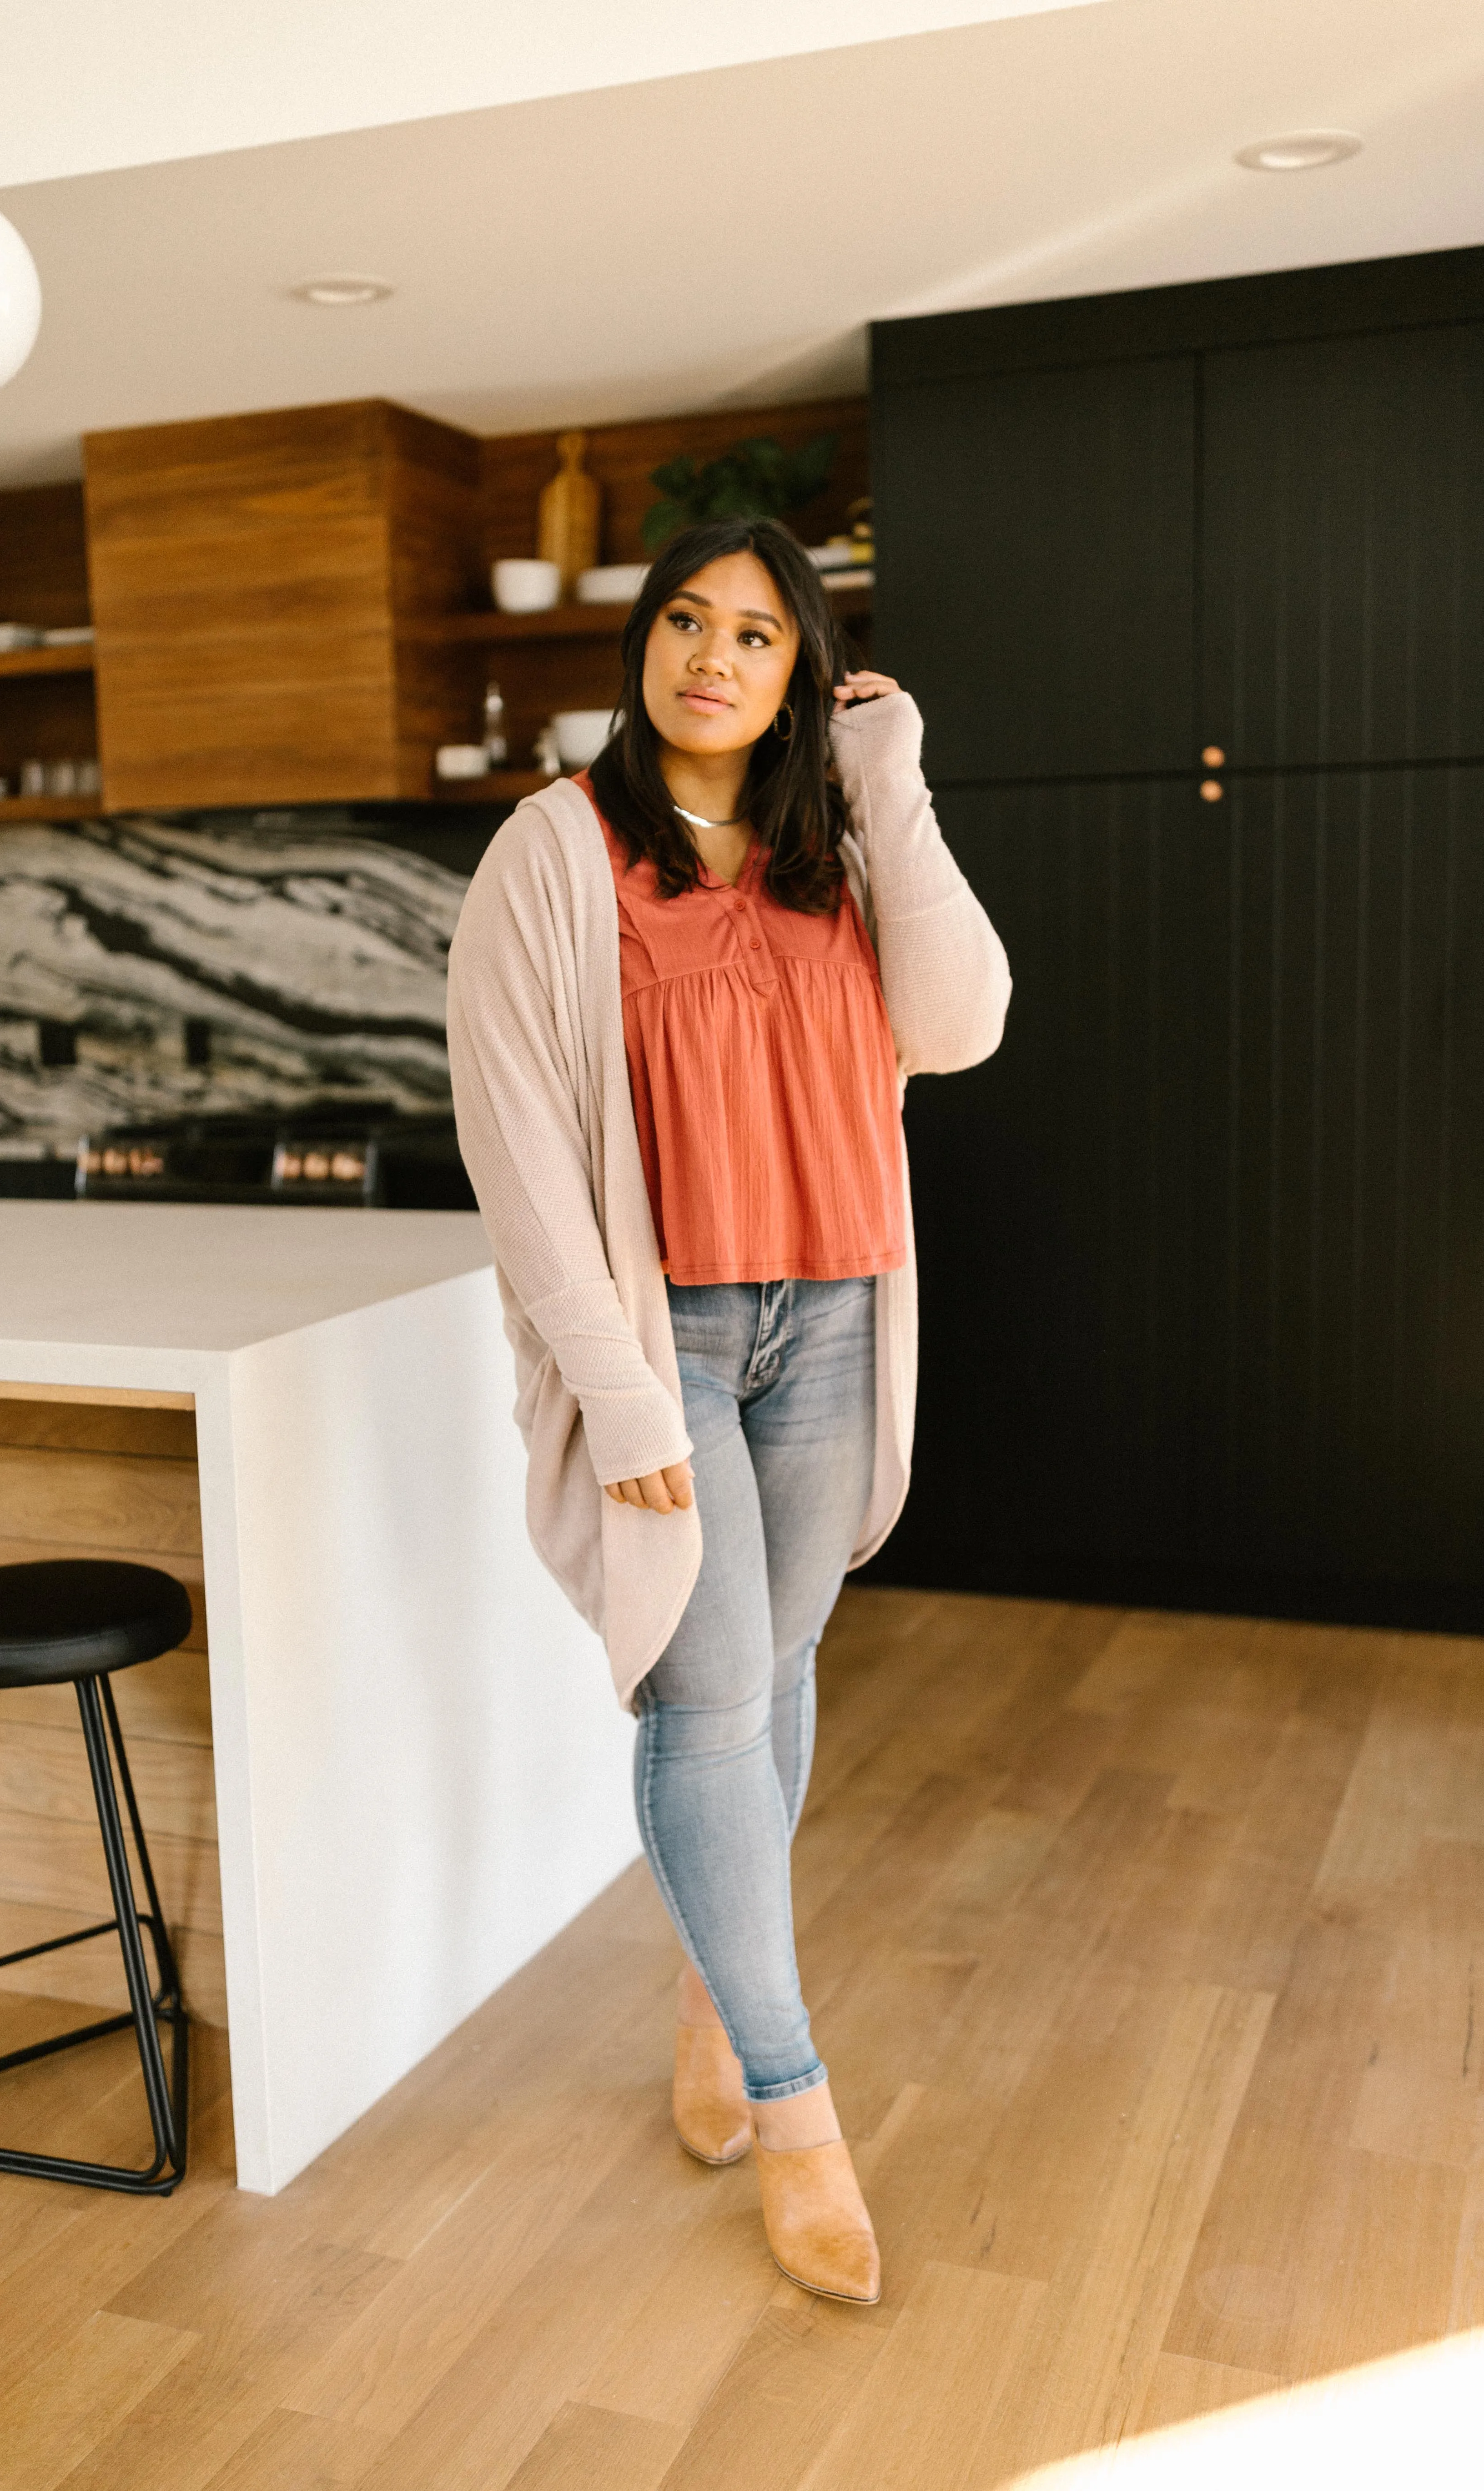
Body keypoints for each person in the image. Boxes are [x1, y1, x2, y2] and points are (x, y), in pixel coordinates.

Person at [447, 515, 1010, 2302]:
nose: (712, 654)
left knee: (773, 1674)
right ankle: (796, 2107)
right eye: (687, 620)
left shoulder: (837, 847)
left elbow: (965, 1017)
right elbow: (518, 1148)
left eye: (758, 636)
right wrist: (619, 1398)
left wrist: (891, 776)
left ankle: (713, 1973)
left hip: (834, 1309)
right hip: (666, 1327)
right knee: (705, 1700)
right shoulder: (553, 850)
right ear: (644, 645)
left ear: (800, 671)